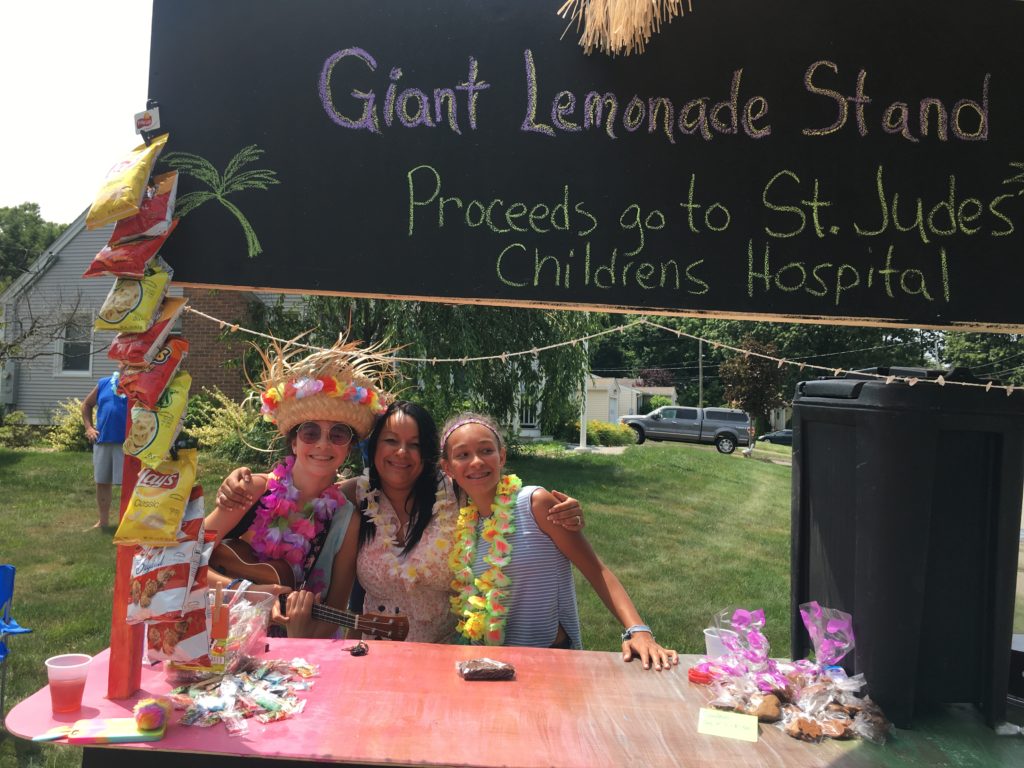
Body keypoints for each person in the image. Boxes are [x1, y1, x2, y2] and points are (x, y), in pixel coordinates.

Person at [219, 400, 585, 642]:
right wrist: (247, 483)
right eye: (390, 440)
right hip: (370, 654)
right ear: (374, 448)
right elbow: (305, 484)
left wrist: (557, 506)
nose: (401, 453)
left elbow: (496, 487)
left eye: (414, 444)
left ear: (429, 454)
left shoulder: (457, 496)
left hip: (446, 654)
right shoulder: (354, 498)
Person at [439, 412, 679, 671]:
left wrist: (639, 631)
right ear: (448, 468)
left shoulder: (534, 503)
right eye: (462, 455)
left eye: (486, 450)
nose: (476, 461)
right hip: (491, 665)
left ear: (502, 457)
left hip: (551, 660)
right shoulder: (465, 527)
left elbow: (596, 570)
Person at [204, 340, 392, 610]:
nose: (323, 444)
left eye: (338, 434)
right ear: (294, 442)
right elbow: (184, 558)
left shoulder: (345, 519)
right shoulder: (253, 489)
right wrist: (244, 591)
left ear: (349, 447)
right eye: (310, 432)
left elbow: (336, 608)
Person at [81, 365, 128, 529]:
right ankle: (103, 522)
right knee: (102, 482)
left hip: (129, 444)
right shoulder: (104, 383)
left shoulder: (140, 387)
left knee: (129, 485)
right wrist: (89, 428)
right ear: (119, 364)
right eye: (124, 362)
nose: (127, 365)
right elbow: (87, 405)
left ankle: (127, 524)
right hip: (103, 440)